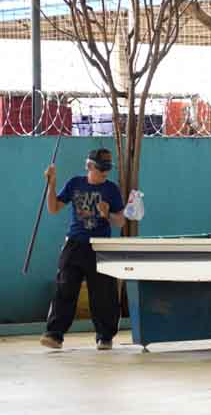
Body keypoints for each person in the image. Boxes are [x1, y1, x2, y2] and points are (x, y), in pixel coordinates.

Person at [40, 148, 125, 350]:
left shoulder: (111, 189)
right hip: (75, 243)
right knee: (65, 287)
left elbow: (120, 221)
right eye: (100, 168)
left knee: (103, 293)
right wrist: (51, 184)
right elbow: (53, 208)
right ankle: (54, 334)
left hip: (100, 245)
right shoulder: (75, 184)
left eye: (107, 169)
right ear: (89, 166)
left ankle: (105, 336)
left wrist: (107, 215)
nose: (104, 173)